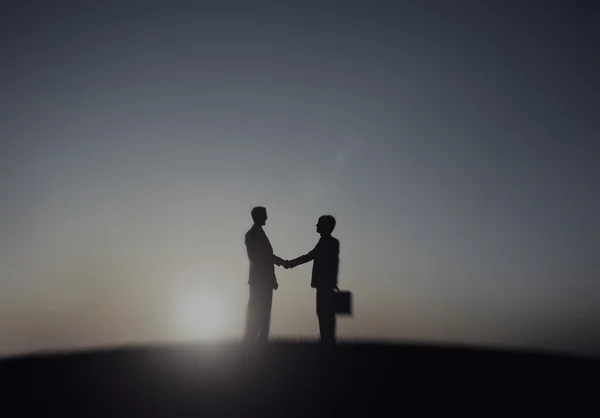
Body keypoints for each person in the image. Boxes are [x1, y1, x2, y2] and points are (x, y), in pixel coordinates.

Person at [285, 215, 339, 345]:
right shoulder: (326, 242)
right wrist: (291, 263)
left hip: (324, 284)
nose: (316, 225)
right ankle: (327, 340)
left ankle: (327, 341)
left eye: (319, 223)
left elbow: (312, 256)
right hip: (324, 283)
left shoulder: (328, 242)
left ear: (326, 226)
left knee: (325, 313)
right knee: (323, 313)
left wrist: (290, 263)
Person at [243, 206, 285, 343]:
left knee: (263, 310)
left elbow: (266, 257)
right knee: (259, 310)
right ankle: (254, 342)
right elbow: (261, 258)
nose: (267, 218)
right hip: (260, 280)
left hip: (263, 279)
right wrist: (282, 263)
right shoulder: (253, 234)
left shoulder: (257, 233)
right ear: (259, 216)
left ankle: (258, 342)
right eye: (265, 215)